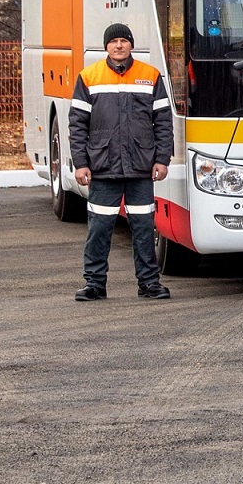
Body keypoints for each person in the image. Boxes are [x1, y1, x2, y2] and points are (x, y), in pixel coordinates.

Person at [70, 23, 174, 300]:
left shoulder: (150, 76)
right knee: (99, 229)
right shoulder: (89, 77)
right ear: (106, 46)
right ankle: (94, 284)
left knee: (143, 228)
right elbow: (77, 124)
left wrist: (162, 158)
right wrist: (81, 163)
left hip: (141, 168)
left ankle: (149, 284)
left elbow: (163, 122)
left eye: (123, 41)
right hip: (103, 169)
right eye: (113, 41)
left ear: (131, 44)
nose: (119, 46)